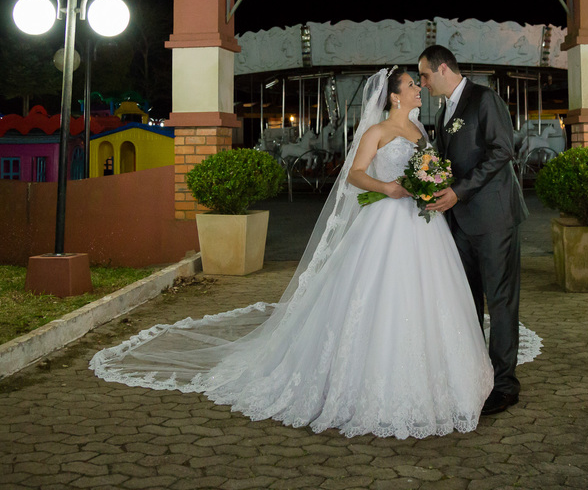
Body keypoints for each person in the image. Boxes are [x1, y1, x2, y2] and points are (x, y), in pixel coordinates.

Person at [90, 67, 535, 439]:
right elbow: (355, 175)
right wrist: (388, 188)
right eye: (412, 84)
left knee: (433, 297)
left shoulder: (421, 129)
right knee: (379, 296)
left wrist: (431, 183)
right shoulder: (377, 131)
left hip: (424, 226)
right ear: (395, 96)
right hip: (386, 222)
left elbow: (433, 167)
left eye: (420, 82)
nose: (419, 88)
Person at [419, 45, 528, 416]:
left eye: (425, 75)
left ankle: (505, 386)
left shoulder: (484, 100)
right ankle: (478, 376)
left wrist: (459, 191)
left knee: (500, 302)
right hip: (460, 223)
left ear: (443, 69)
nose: (423, 83)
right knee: (468, 303)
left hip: (494, 219)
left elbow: (502, 151)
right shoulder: (442, 113)